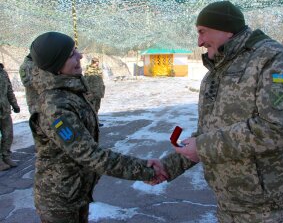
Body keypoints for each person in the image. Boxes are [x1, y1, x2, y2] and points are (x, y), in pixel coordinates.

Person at [149, 1, 283, 222]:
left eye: (202, 32)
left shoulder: (272, 60)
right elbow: (213, 131)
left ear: (225, 29)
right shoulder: (220, 67)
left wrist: (202, 147)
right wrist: (169, 166)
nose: (199, 41)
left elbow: (277, 128)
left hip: (265, 209)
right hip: (228, 204)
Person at [28, 31, 166, 223]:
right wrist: (145, 170)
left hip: (75, 192)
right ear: (56, 65)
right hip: (59, 201)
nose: (80, 56)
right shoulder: (55, 106)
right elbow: (90, 155)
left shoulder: (69, 93)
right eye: (71, 54)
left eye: (76, 50)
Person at [0, 63, 20, 170]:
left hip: (5, 109)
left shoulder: (3, 72)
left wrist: (15, 104)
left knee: (8, 134)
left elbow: (9, 90)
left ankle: (6, 156)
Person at [84, 57, 105, 127]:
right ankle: (91, 123)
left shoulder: (99, 70)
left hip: (98, 92)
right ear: (92, 62)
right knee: (92, 108)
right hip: (92, 93)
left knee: (97, 108)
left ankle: (96, 122)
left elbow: (101, 80)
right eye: (96, 62)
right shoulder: (88, 71)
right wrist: (88, 92)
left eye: (98, 62)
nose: (97, 63)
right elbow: (86, 82)